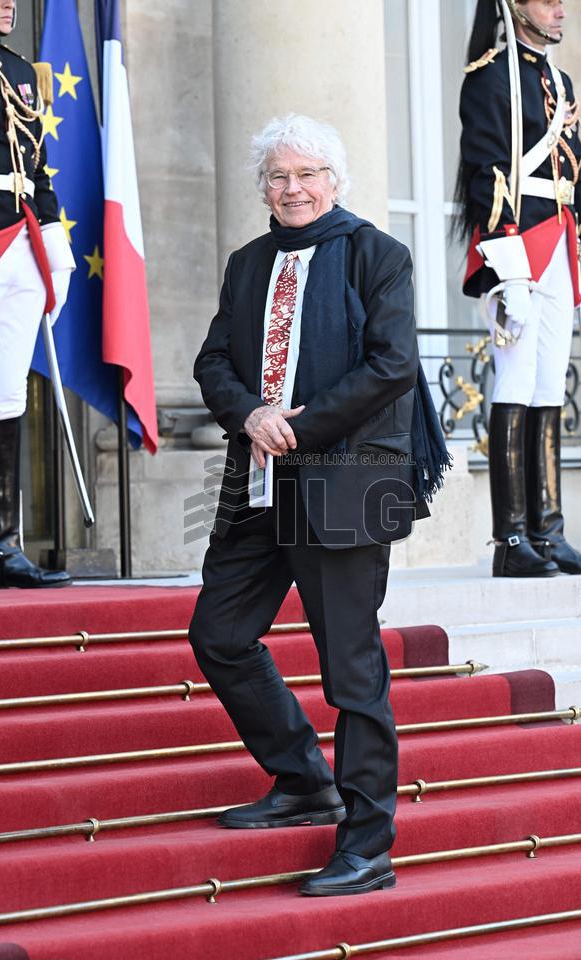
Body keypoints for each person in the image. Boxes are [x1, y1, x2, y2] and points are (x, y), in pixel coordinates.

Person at [189, 113, 425, 896]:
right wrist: (249, 412)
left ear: (334, 180)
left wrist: (295, 426)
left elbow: (392, 366)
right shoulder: (247, 263)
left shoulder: (377, 256)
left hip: (349, 485)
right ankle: (301, 779)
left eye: (306, 174)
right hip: (258, 486)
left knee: (352, 673)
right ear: (264, 186)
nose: (292, 188)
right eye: (278, 176)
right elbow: (213, 359)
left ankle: (368, 843)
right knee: (220, 634)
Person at [455, 0, 581, 578]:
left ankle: (549, 532)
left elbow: (578, 173)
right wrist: (510, 268)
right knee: (515, 381)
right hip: (519, 250)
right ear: (513, 6)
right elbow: (487, 174)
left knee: (549, 382)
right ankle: (511, 539)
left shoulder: (559, 80)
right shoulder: (490, 77)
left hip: (561, 247)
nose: (559, 8)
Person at [0, 0, 74, 592]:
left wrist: (53, 242)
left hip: (20, 238)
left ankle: (1, 545)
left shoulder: (21, 72)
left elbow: (40, 168)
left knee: (7, 393)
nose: (9, 3)